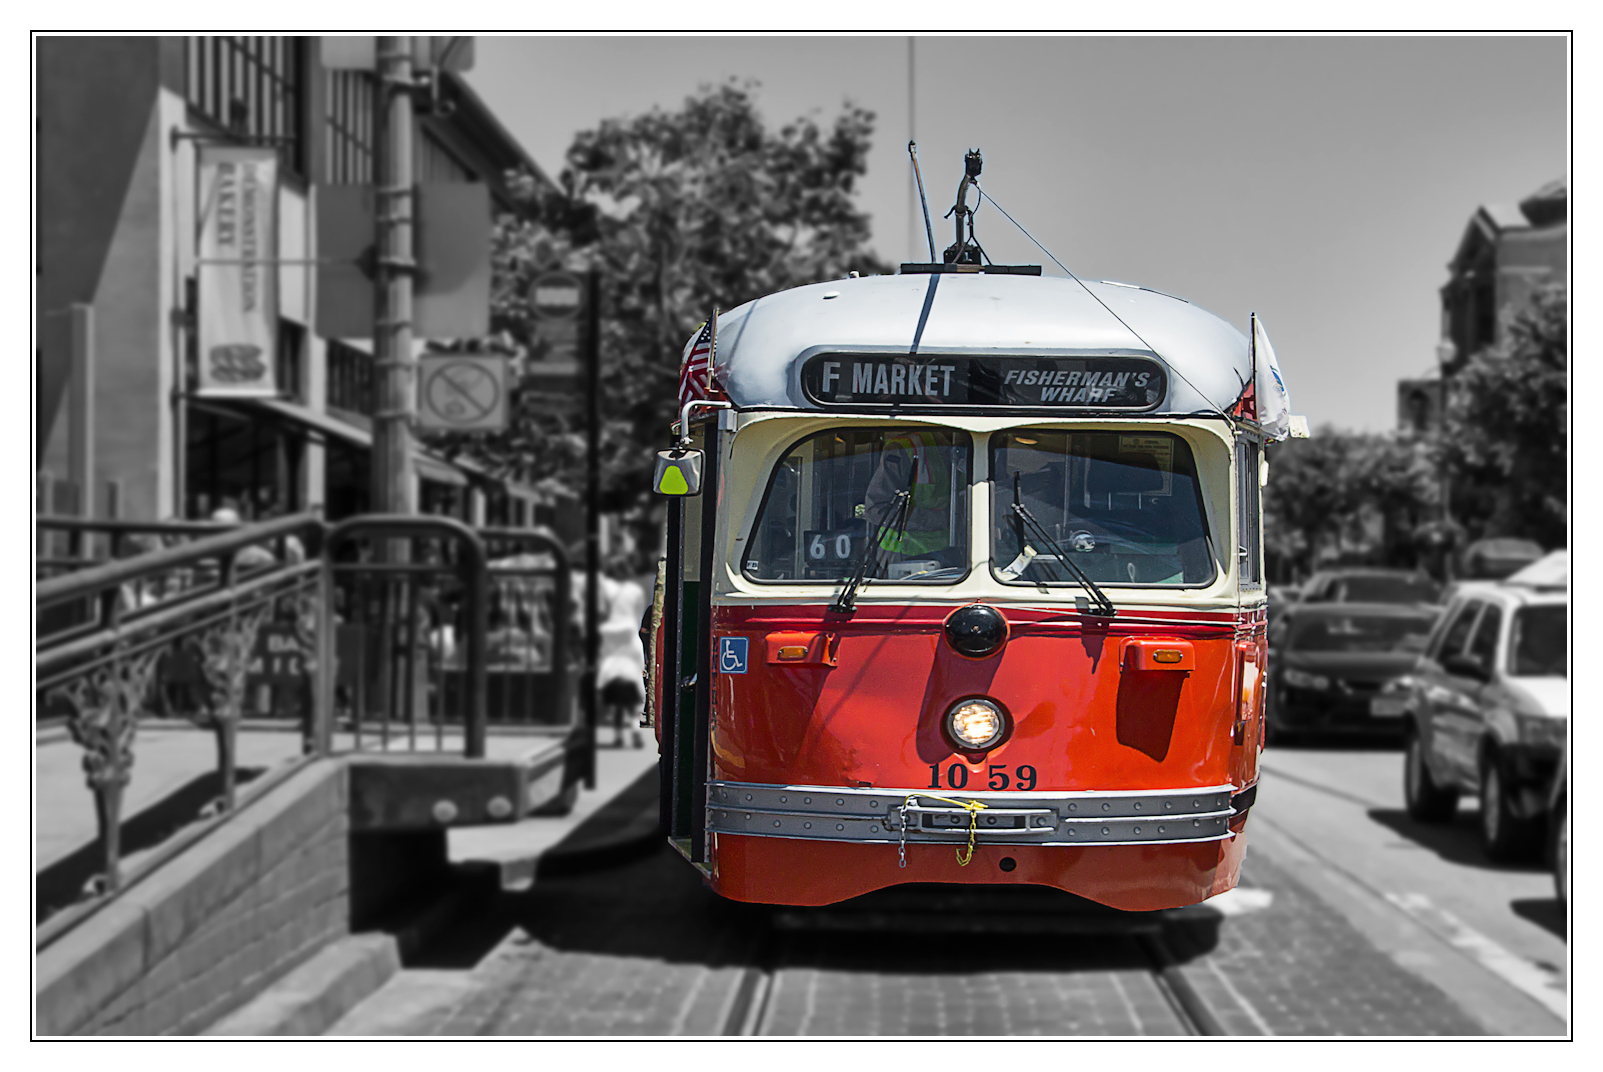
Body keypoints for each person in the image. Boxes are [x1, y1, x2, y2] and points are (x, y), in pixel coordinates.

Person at [596, 565, 647, 748]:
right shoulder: (634, 591)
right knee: (632, 701)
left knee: (616, 703)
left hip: (613, 664)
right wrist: (642, 666)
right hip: (629, 663)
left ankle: (618, 735)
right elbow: (637, 647)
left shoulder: (605, 590)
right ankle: (634, 730)